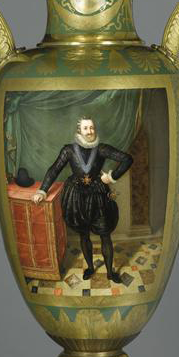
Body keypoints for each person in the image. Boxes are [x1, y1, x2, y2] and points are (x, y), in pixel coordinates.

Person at [32, 117, 133, 284]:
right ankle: (91, 268)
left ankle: (110, 273)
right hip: (76, 196)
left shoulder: (101, 148)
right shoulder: (69, 150)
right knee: (83, 234)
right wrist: (42, 190)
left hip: (98, 196)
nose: (90, 131)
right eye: (86, 128)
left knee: (105, 235)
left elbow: (127, 159)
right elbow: (54, 169)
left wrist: (112, 177)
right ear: (79, 131)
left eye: (92, 128)